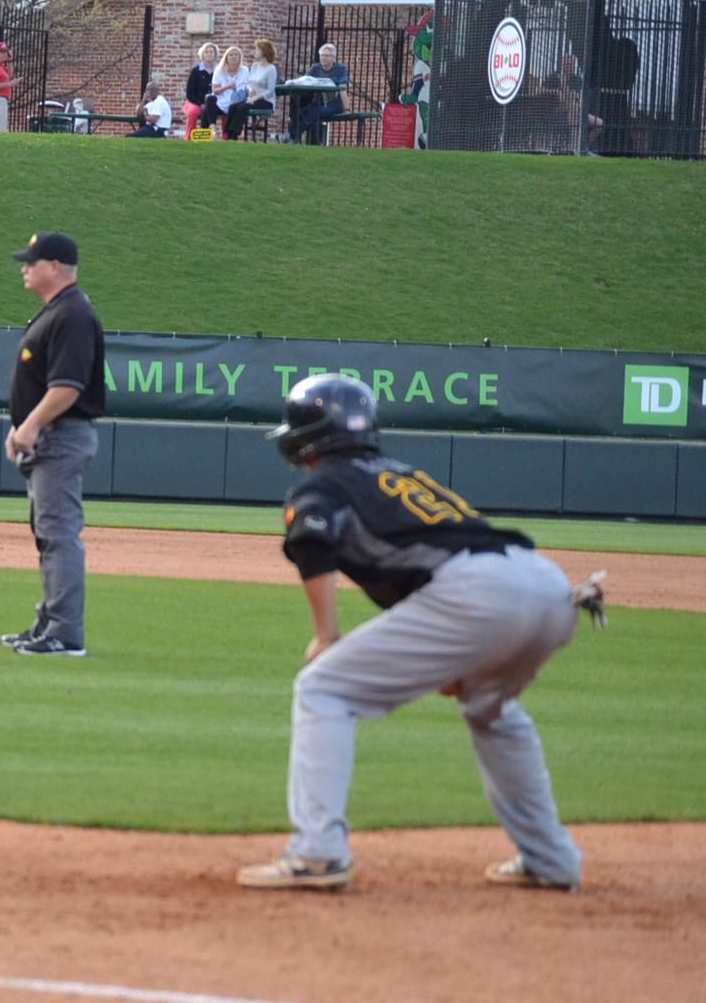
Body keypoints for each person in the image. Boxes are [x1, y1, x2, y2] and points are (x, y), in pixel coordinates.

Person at [237, 375, 599, 892]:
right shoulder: (399, 472)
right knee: (489, 711)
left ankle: (318, 852)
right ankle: (552, 859)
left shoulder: (323, 483)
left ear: (303, 440)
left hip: (479, 594)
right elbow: (425, 568)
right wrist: (458, 662)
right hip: (548, 585)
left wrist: (327, 635)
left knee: (323, 686)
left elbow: (312, 536)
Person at [0, 232, 105, 657]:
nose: (25, 267)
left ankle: (64, 633)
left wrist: (30, 426)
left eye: (33, 261)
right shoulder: (58, 312)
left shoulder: (72, 315)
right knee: (47, 533)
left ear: (56, 267)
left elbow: (67, 388)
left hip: (61, 437)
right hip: (50, 436)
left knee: (59, 534)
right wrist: (23, 425)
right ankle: (49, 623)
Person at [289, 42, 348, 145]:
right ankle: (295, 137)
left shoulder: (340, 69)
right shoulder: (315, 68)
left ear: (333, 58)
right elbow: (305, 80)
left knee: (314, 112)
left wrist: (347, 109)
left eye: (326, 55)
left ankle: (293, 137)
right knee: (299, 112)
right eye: (321, 55)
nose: (323, 58)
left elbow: (343, 88)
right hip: (318, 102)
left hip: (334, 104)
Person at [236, 38, 279, 140]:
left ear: (264, 52)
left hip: (265, 101)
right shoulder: (255, 66)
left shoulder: (271, 69)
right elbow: (248, 83)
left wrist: (256, 98)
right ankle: (229, 134)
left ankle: (235, 134)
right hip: (251, 98)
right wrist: (250, 88)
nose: (255, 52)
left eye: (257, 49)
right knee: (234, 107)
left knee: (241, 108)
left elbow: (270, 90)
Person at [197, 45, 246, 132]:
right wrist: (227, 86)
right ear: (226, 58)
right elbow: (215, 91)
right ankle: (212, 128)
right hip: (221, 102)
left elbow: (242, 90)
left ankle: (205, 132)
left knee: (206, 110)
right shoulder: (219, 70)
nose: (233, 57)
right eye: (231, 55)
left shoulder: (244, 70)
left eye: (236, 54)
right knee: (210, 99)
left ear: (240, 57)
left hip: (235, 103)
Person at [183, 43, 216, 131]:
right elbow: (189, 93)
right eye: (206, 52)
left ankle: (227, 139)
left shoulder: (219, 71)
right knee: (193, 112)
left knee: (227, 111)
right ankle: (189, 138)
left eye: (211, 52)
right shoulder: (195, 71)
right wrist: (200, 104)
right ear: (202, 55)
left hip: (213, 103)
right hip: (195, 102)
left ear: (215, 55)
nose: (209, 54)